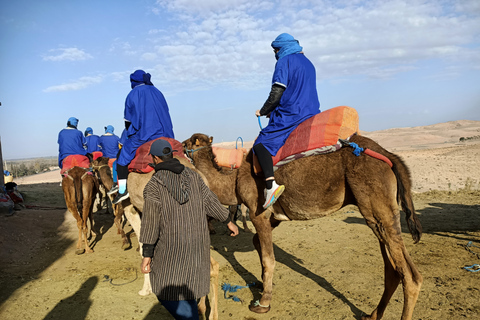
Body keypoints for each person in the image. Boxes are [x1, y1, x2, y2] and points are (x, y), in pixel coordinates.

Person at [140, 139, 239, 319]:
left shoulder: (154, 186)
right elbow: (210, 201)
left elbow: (150, 222)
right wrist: (228, 220)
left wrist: (147, 253)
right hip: (198, 243)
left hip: (171, 246)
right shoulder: (193, 176)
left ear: (155, 159)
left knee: (164, 286)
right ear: (171, 155)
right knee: (191, 282)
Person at [253, 33, 321, 209]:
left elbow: (277, 91)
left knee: (261, 144)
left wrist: (264, 110)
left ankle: (270, 186)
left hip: (292, 114)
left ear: (280, 48)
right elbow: (298, 91)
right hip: (311, 112)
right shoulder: (308, 63)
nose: (275, 53)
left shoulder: (284, 61)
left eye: (276, 50)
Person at [113, 70, 175, 204]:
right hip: (167, 135)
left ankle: (122, 190)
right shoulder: (158, 92)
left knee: (121, 157)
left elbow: (128, 122)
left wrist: (130, 133)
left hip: (144, 135)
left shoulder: (132, 94)